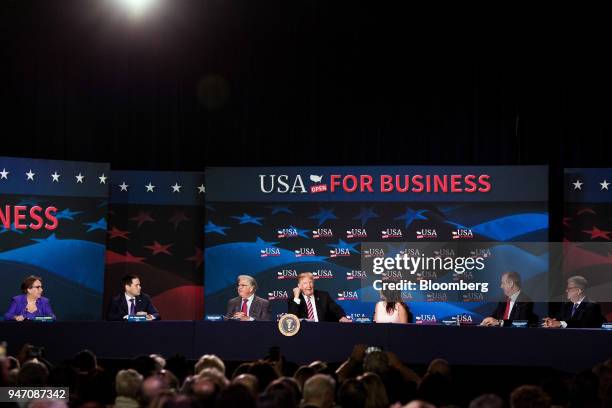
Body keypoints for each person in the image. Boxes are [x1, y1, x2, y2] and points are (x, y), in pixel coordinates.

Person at [287, 272, 351, 322]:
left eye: (310, 282)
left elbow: (336, 308)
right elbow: (291, 317)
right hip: (304, 330)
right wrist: (296, 297)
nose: (309, 286)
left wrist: (342, 317)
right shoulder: (295, 298)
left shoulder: (324, 296)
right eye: (305, 283)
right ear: (299, 286)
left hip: (322, 329)